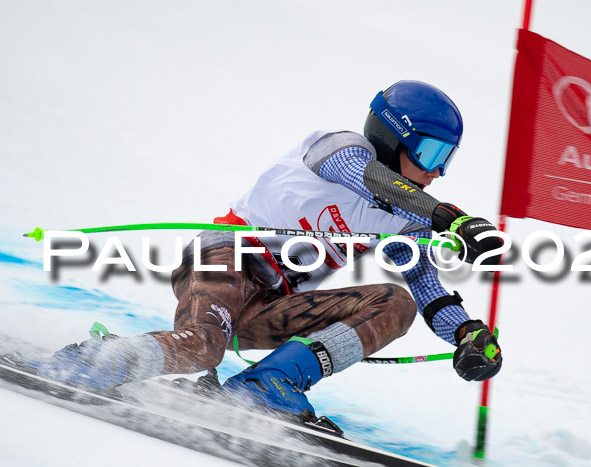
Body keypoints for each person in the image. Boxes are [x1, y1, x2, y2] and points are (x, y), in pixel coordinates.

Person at [28, 80, 503, 421]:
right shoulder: (339, 147)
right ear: (392, 136)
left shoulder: (405, 219)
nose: (437, 173)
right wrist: (448, 217)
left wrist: (465, 332)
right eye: (431, 155)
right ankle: (95, 361)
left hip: (275, 304)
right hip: (227, 258)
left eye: (447, 161)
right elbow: (368, 179)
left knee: (394, 303)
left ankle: (264, 387)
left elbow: (427, 290)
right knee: (203, 348)